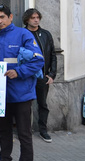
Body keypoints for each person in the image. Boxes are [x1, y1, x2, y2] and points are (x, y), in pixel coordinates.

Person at [0, 4, 44, 161]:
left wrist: (18, 72)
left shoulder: (23, 34)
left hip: (22, 95)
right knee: (4, 132)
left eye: (2, 17)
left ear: (10, 17)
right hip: (2, 96)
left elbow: (38, 61)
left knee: (24, 133)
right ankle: (5, 158)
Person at [22, 8, 57, 143]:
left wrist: (52, 74)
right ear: (27, 19)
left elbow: (53, 55)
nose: (36, 20)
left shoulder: (46, 34)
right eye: (33, 18)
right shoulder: (22, 34)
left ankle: (43, 130)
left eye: (38, 17)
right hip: (27, 76)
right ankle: (25, 131)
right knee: (25, 105)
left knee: (42, 104)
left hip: (42, 77)